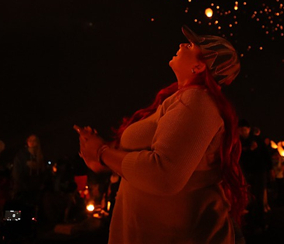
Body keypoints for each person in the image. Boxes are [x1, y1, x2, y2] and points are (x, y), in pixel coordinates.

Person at [75, 25, 248, 244]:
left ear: (200, 65)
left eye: (191, 45)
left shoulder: (197, 101)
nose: (182, 44)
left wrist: (102, 152)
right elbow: (147, 168)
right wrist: (101, 158)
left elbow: (164, 174)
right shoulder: (182, 100)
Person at [11, 134, 46, 206]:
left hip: (36, 189)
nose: (32, 142)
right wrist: (21, 185)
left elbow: (43, 172)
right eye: (30, 140)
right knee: (16, 208)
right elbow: (17, 172)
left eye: (34, 141)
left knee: (34, 209)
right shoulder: (21, 155)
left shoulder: (40, 156)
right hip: (22, 188)